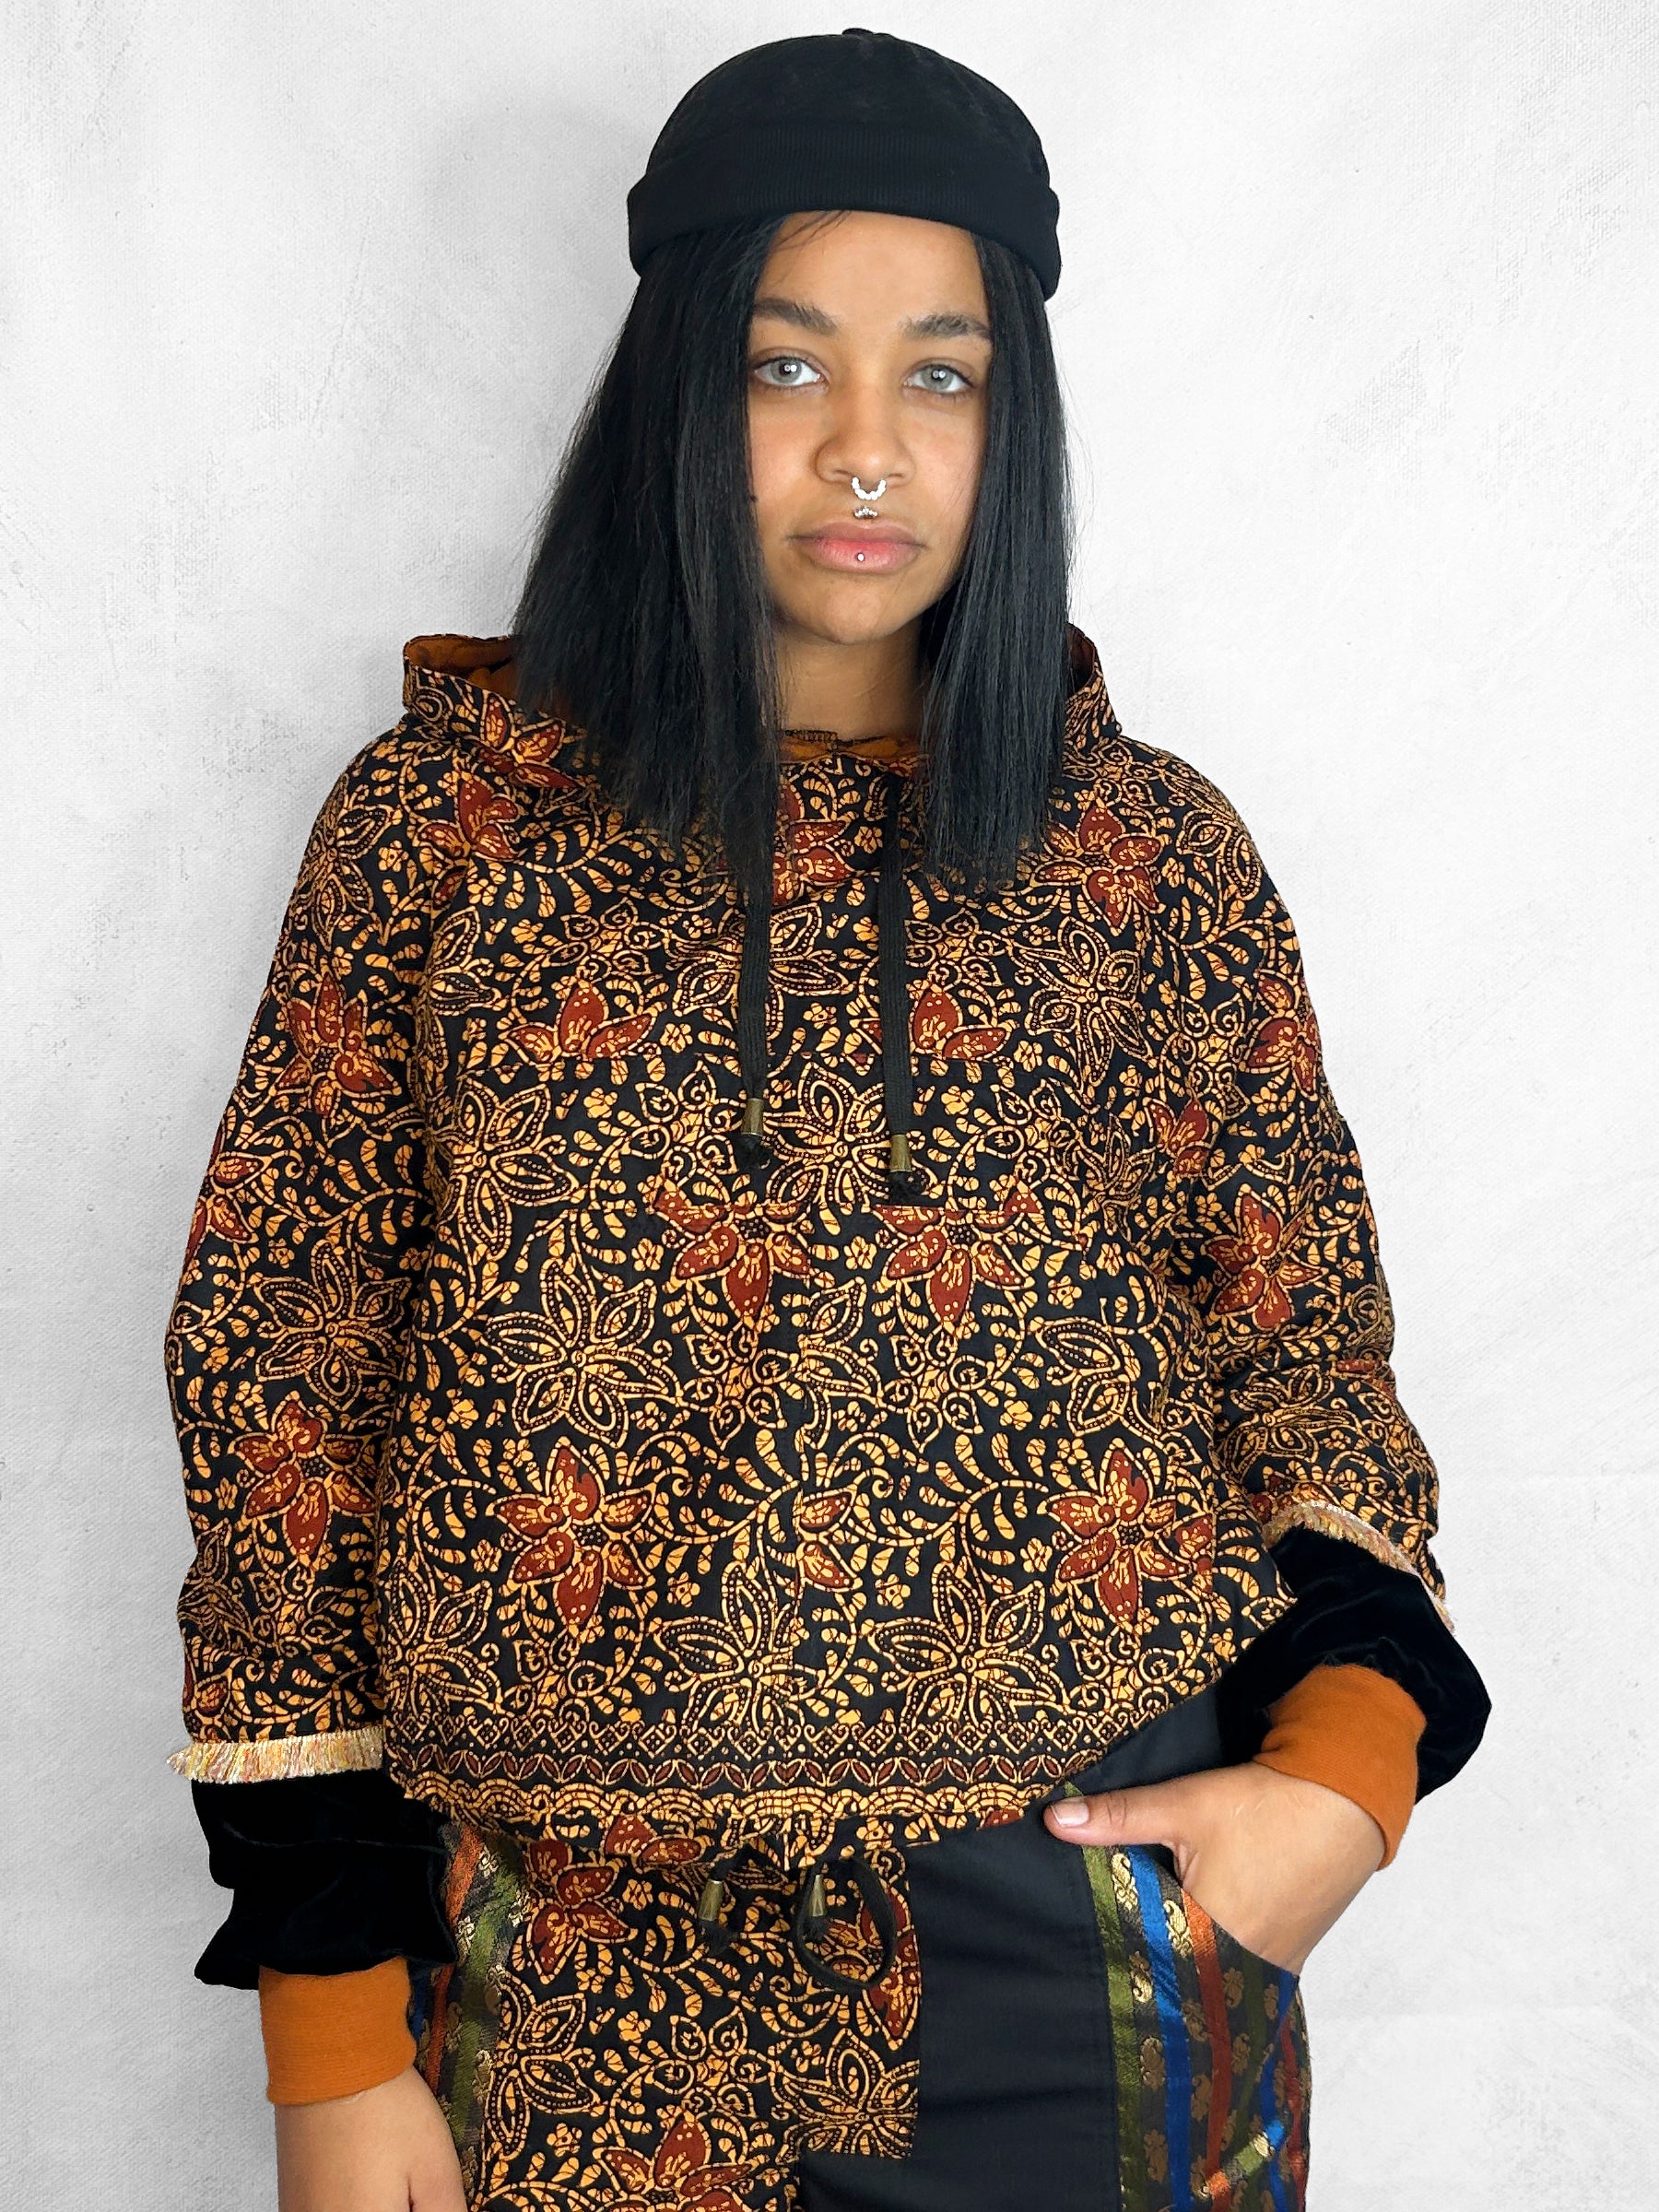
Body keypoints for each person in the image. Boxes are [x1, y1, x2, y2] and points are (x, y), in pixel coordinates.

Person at [167, 29, 1488, 2212]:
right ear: (678, 393)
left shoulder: (1146, 858)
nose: (866, 448)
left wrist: (1342, 1780)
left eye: (940, 377)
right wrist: (330, 2025)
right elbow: (282, 1388)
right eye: (787, 368)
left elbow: (1308, 1353)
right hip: (556, 1977)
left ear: (1012, 419)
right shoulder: (442, 838)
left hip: (1085, 1940)